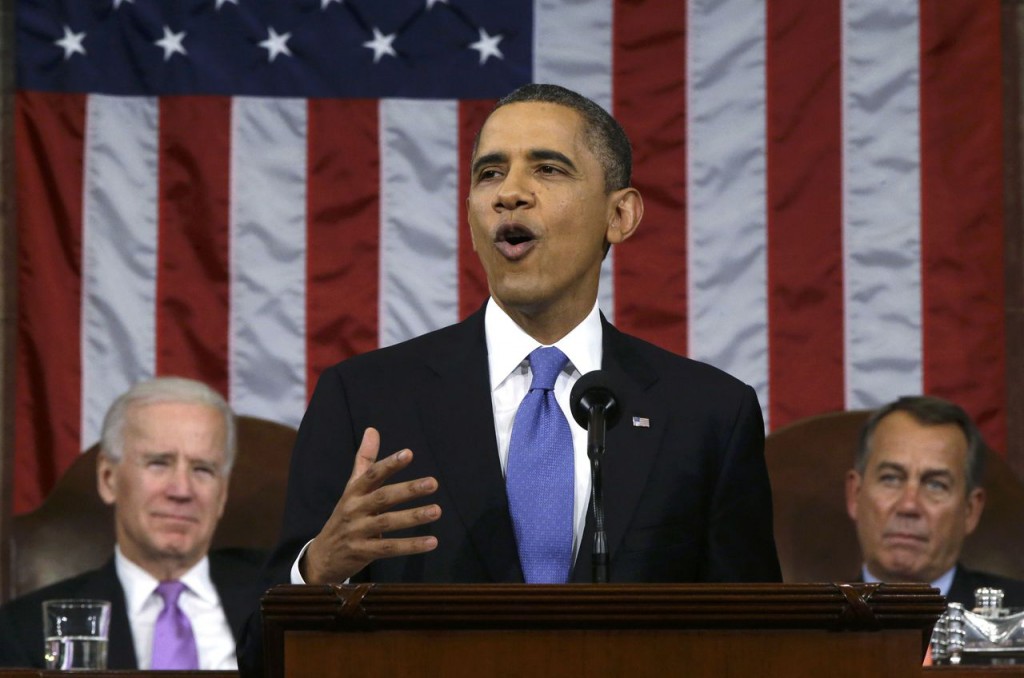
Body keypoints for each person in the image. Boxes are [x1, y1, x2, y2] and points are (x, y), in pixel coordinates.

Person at [253, 83, 780, 594]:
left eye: (548, 169)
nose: (509, 193)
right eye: (490, 173)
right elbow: (262, 646)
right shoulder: (365, 398)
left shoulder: (709, 415)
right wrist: (320, 569)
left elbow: (758, 642)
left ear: (619, 215)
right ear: (470, 217)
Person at [0, 377, 264, 670]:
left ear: (222, 493)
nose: (181, 490)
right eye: (158, 463)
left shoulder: (280, 601)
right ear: (108, 479)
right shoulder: (24, 630)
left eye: (202, 469)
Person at [845, 395, 1024, 607]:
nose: (909, 505)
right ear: (855, 495)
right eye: (890, 478)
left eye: (936, 485)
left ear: (970, 511)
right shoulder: (808, 627)